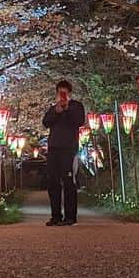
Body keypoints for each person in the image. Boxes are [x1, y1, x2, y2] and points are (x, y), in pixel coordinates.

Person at [42, 78, 86, 226]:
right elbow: (46, 122)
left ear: (69, 93)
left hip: (69, 149)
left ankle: (70, 216)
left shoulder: (76, 106)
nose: (62, 96)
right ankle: (55, 216)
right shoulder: (54, 108)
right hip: (53, 149)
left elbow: (79, 121)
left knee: (68, 182)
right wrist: (56, 111)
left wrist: (67, 109)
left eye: (64, 93)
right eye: (60, 93)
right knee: (53, 183)